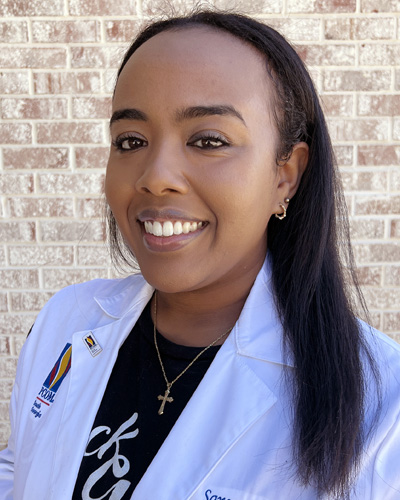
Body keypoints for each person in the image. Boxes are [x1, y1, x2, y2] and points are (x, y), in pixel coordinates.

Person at [1, 10, 399, 500]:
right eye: (131, 141)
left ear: (285, 176)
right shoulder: (66, 321)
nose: (155, 175)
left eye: (208, 140)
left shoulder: (381, 407)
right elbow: (21, 466)